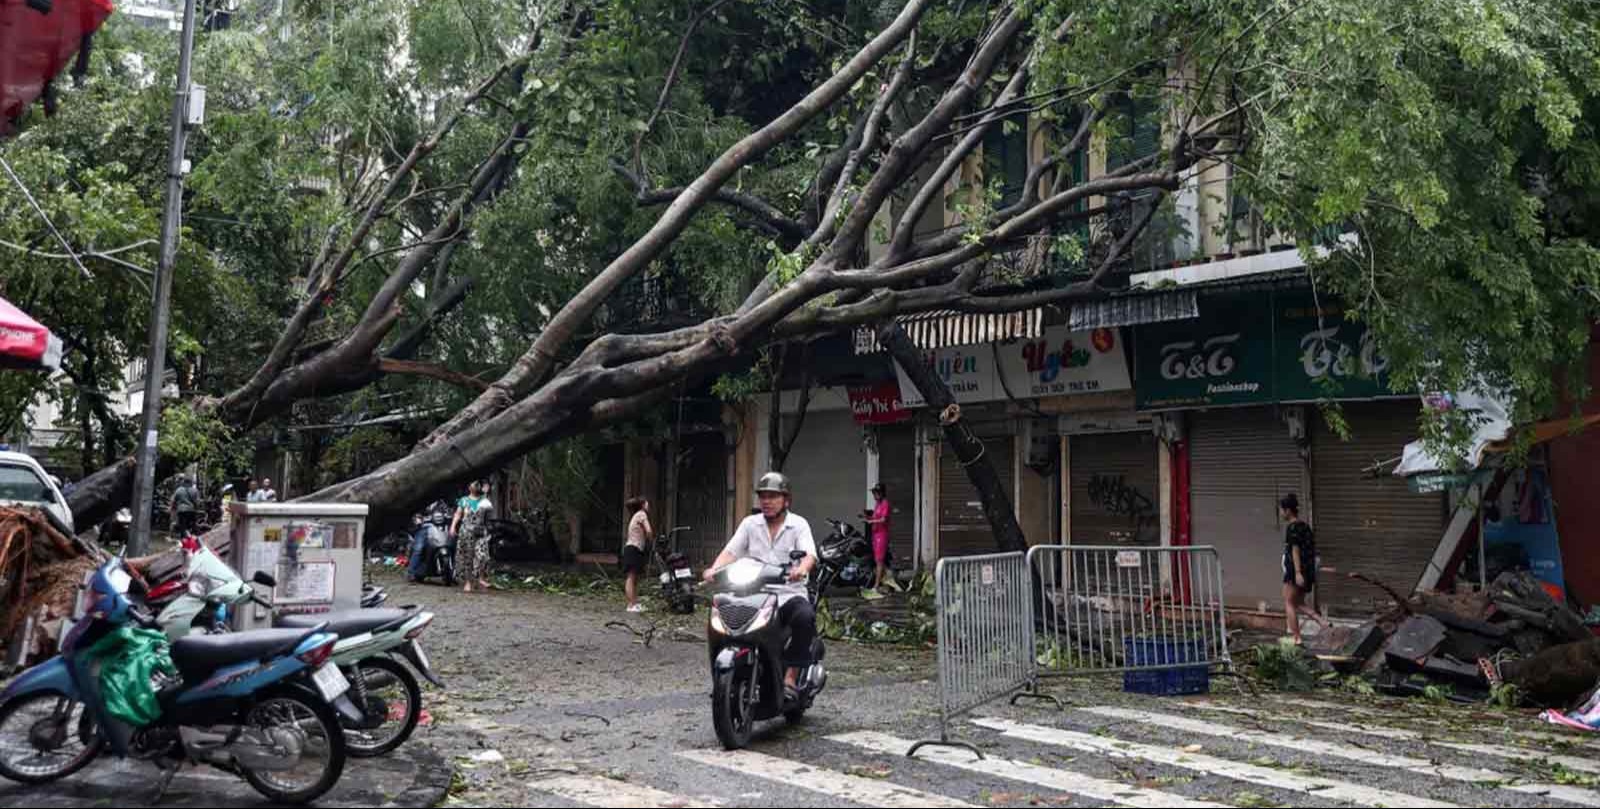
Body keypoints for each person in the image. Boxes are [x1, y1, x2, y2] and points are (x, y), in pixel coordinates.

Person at [704, 472, 817, 705]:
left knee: (805, 617)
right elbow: (730, 552)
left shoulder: (798, 525)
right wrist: (713, 570)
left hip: (788, 594)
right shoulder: (750, 524)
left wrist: (802, 569)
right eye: (763, 497)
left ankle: (791, 679)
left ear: (786, 500)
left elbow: (809, 555)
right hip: (753, 593)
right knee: (719, 609)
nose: (766, 501)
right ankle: (724, 677)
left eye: (773, 496)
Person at [1280, 493, 1321, 644]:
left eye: (1282, 510)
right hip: (1307, 571)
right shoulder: (1305, 527)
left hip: (1295, 572)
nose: (1281, 513)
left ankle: (1296, 638)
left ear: (1288, 511)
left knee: (1289, 603)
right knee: (1298, 603)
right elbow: (1311, 551)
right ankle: (1321, 621)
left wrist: (1297, 573)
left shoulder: (1292, 528)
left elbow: (1295, 550)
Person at [452, 480, 495, 593]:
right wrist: (453, 527)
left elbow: (489, 517)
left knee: (482, 555)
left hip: (480, 533)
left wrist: (486, 494)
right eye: (473, 483)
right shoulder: (464, 500)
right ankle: (468, 582)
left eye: (478, 484)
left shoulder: (485, 501)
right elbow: (458, 514)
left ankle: (480, 578)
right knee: (467, 557)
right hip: (466, 532)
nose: (476, 485)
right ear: (469, 486)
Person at [860, 483, 898, 599]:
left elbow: (883, 519)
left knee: (879, 561)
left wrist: (872, 522)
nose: (874, 495)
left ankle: (876, 586)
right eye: (874, 493)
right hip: (875, 534)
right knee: (876, 559)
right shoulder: (877, 504)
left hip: (882, 535)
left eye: (876, 493)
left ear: (881, 493)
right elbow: (876, 517)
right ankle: (880, 582)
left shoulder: (885, 503)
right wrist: (867, 517)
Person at [622, 497, 652, 613]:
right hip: (633, 549)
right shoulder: (641, 514)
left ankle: (634, 603)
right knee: (631, 577)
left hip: (633, 549)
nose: (648, 507)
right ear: (643, 505)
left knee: (634, 578)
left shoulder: (635, 515)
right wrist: (651, 539)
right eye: (647, 504)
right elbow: (649, 530)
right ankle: (631, 605)